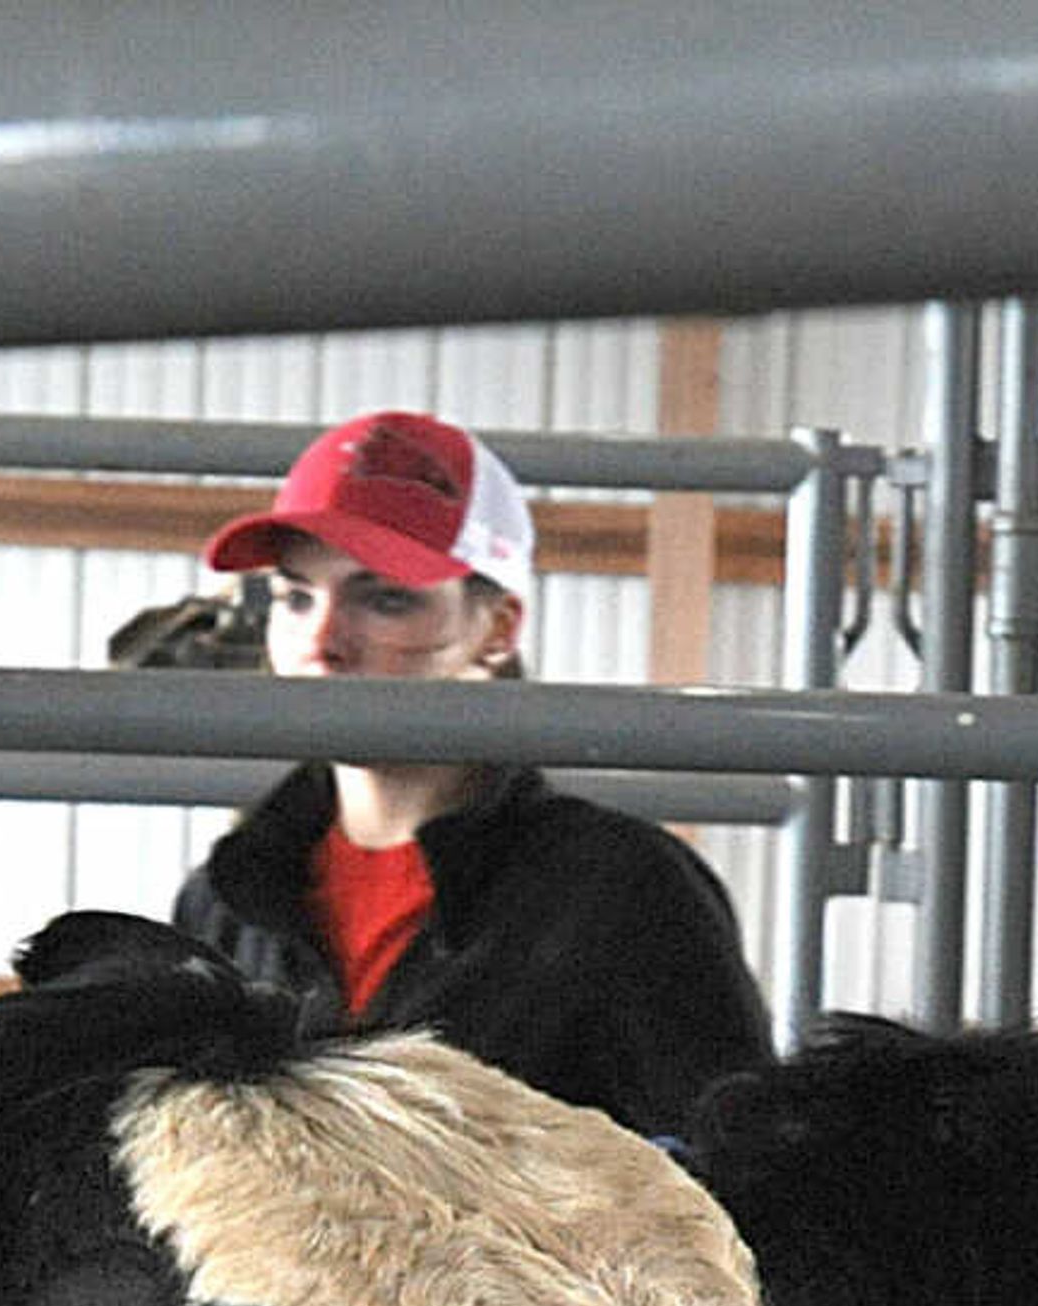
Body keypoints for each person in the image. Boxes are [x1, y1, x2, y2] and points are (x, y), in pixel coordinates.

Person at [168, 409, 775, 1132]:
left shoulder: (623, 892)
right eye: (296, 597)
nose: (322, 641)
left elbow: (729, 1184)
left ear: (497, 629)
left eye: (384, 597)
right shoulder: (228, 899)